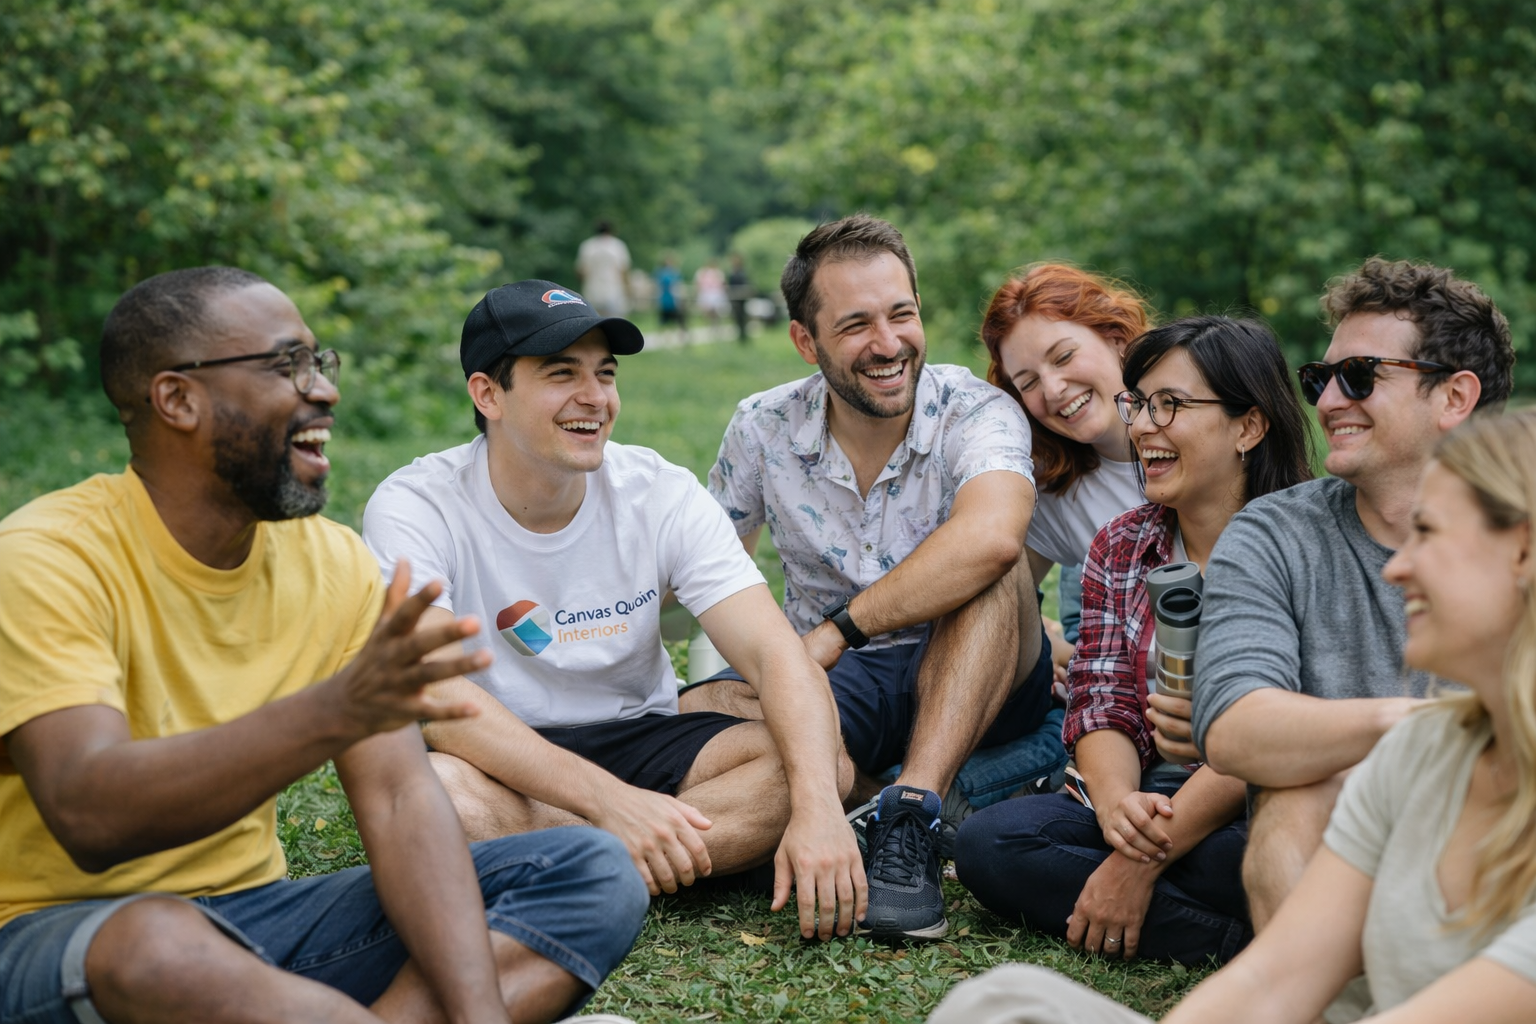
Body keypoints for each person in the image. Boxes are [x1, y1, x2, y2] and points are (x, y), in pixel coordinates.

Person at [0, 267, 648, 1024]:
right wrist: (333, 711)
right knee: (158, 943)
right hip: (51, 939)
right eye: (286, 367)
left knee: (591, 868)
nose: (324, 391)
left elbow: (402, 798)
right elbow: (92, 814)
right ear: (177, 399)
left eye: (319, 362)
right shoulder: (45, 560)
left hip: (258, 921)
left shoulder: (328, 561)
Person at [928, 409, 1536, 1024]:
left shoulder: (1292, 545)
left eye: (1430, 534)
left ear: (1523, 551)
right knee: (999, 1000)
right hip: (1160, 804)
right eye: (1139, 403)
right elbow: (1275, 980)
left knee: (1279, 815)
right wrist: (1120, 810)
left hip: (1233, 814)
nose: (1397, 566)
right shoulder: (1417, 752)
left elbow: (1248, 732)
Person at [361, 280, 865, 942]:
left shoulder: (657, 492)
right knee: (437, 795)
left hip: (639, 733)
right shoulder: (416, 507)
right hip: (502, 754)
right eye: (561, 374)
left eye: (604, 373)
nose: (594, 398)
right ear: (488, 395)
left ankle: (572, 859)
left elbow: (775, 656)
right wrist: (612, 804)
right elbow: (442, 701)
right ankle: (670, 849)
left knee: (823, 766)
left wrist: (822, 809)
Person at [689, 214, 1061, 941]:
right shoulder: (763, 426)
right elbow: (707, 570)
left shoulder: (976, 410)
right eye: (856, 324)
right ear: (807, 341)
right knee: (693, 716)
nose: (888, 344)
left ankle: (912, 816)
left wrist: (836, 630)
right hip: (842, 685)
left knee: (992, 563)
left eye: (902, 314)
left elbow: (990, 539)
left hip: (980, 664)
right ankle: (867, 793)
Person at [954, 316, 1314, 965]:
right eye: (1140, 404)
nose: (1143, 426)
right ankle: (1244, 944)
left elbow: (1271, 736)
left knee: (1269, 853)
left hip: (1264, 804)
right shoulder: (1123, 543)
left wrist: (1140, 863)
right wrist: (1119, 809)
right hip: (1149, 795)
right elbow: (1100, 696)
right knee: (992, 844)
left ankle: (1230, 920)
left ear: (1249, 426)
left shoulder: (1305, 542)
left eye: (1170, 405)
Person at [1191, 258, 1515, 931]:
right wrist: (1423, 727)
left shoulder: (1522, 529)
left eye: (1360, 376)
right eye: (1320, 379)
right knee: (1297, 791)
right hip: (1345, 848)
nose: (1329, 401)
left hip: (1506, 840)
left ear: (1455, 397)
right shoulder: (1273, 532)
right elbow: (1235, 727)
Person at [981, 264, 1153, 675]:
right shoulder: (1055, 489)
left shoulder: (1199, 422)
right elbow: (999, 599)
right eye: (1029, 382)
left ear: (1116, 338)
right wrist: (1056, 650)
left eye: (1063, 356)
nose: (1054, 389)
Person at [575, 221, 632, 316]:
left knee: (594, 320)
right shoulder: (618, 246)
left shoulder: (587, 246)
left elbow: (581, 271)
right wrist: (628, 289)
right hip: (613, 290)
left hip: (592, 290)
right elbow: (623, 270)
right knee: (615, 322)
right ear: (611, 230)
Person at [656, 254, 687, 333]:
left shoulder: (675, 272)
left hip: (674, 299)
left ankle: (680, 333)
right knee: (664, 318)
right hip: (666, 298)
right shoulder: (662, 272)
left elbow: (679, 285)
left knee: (679, 317)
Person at [694, 258, 730, 325]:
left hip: (716, 294)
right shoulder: (703, 273)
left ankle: (715, 323)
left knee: (716, 309)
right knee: (708, 309)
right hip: (708, 294)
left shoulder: (718, 273)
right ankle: (712, 323)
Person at [727, 253, 753, 342]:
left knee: (742, 317)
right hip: (735, 298)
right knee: (737, 317)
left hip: (742, 298)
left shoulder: (742, 272)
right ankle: (741, 336)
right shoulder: (732, 272)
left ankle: (744, 336)